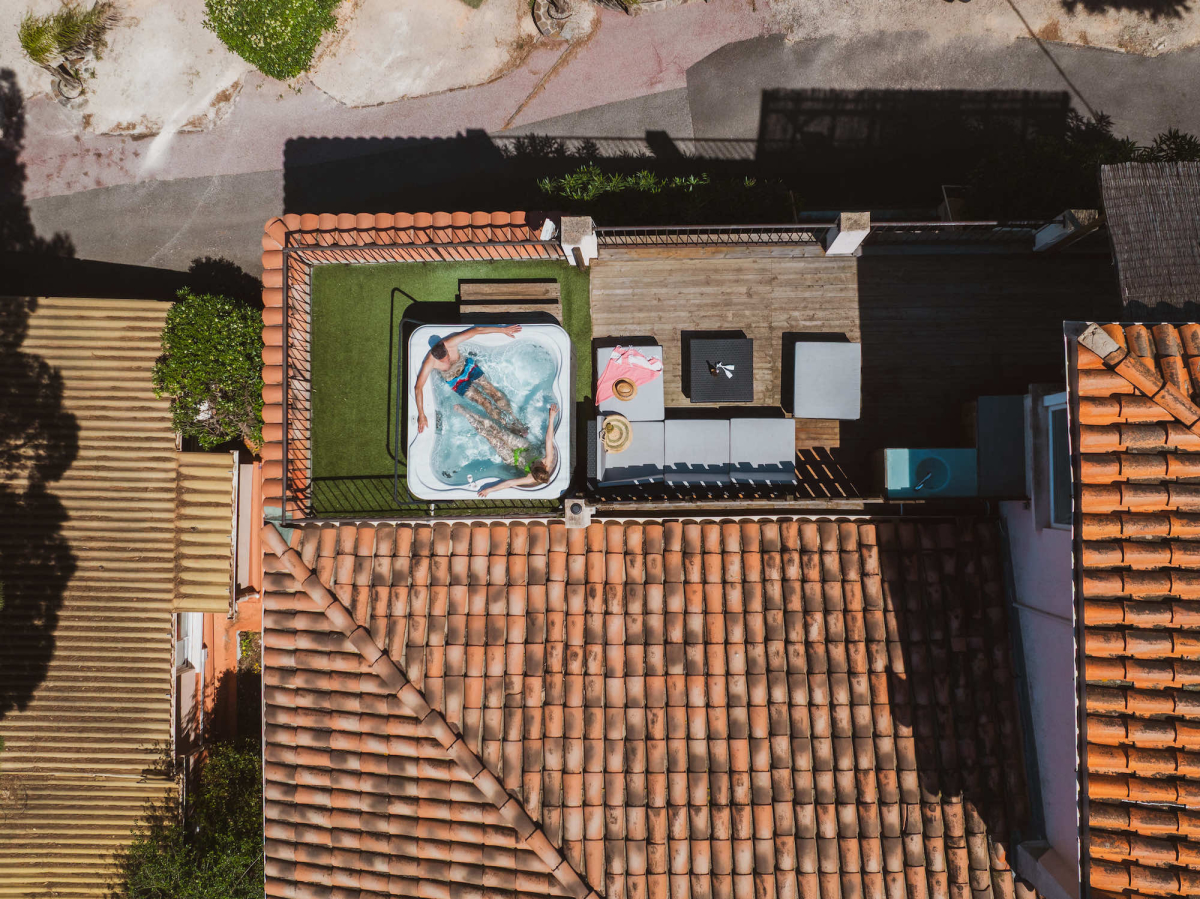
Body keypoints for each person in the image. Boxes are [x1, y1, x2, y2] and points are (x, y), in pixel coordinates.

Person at [414, 324, 525, 435]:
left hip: (468, 368)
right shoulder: (430, 361)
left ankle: (515, 418)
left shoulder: (450, 342)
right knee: (484, 402)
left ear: (446, 349)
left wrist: (503, 330)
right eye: (442, 361)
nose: (447, 361)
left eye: (447, 357)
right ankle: (509, 425)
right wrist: (421, 414)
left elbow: (476, 330)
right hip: (455, 380)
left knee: (493, 391)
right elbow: (418, 387)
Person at [471, 403, 559, 497]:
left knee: (491, 438)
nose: (535, 463)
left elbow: (509, 483)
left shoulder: (529, 478)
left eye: (533, 466)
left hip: (513, 459)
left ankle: (471, 419)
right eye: (538, 463)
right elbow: (548, 439)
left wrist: (489, 490)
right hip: (525, 448)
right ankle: (472, 414)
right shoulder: (547, 461)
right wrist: (551, 418)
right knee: (498, 431)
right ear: (543, 466)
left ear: (532, 472)